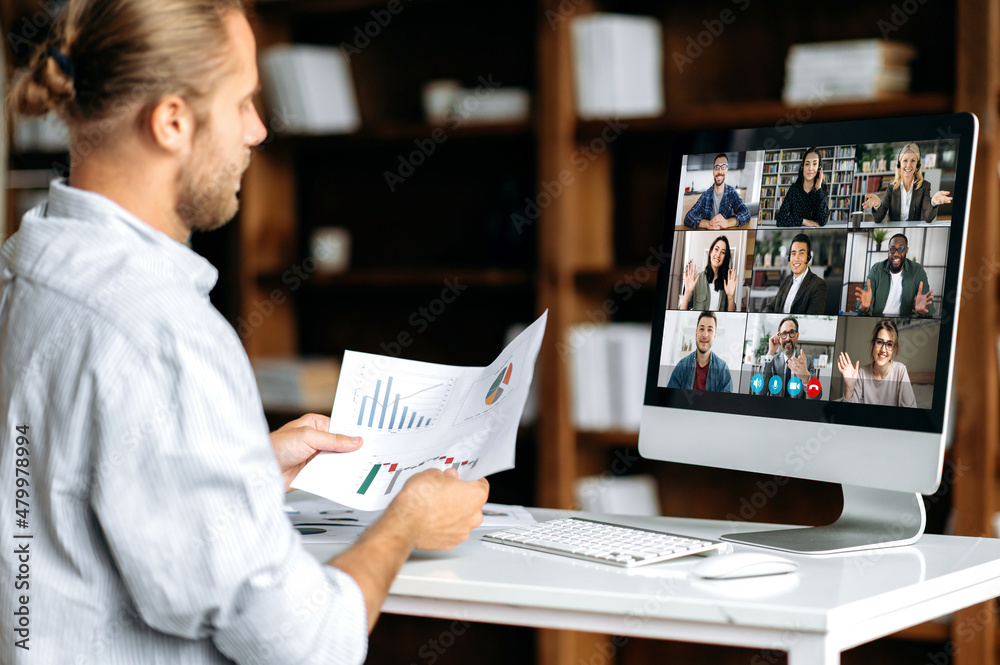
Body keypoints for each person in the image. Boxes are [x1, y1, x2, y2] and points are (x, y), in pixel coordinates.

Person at [0, 2, 488, 664]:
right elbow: (307, 644)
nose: (257, 130)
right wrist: (408, 520)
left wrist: (243, 472)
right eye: (242, 103)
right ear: (172, 121)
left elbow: (70, 503)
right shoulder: (167, 335)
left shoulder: (25, 277)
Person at [861, 143, 952, 223]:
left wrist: (933, 203)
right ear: (899, 164)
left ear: (917, 165)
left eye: (913, 161)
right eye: (905, 160)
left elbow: (928, 218)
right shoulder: (891, 188)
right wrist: (878, 205)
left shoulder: (924, 186)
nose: (908, 165)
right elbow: (878, 219)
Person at [838, 320, 918, 407]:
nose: (883, 350)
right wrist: (849, 387)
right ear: (873, 344)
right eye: (879, 342)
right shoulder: (862, 373)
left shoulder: (900, 370)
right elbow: (848, 413)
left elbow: (911, 410)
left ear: (894, 348)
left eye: (889, 344)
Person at [855, 233, 935, 317]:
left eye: (901, 249)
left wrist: (922, 311)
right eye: (892, 249)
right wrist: (865, 308)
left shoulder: (917, 271)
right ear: (888, 251)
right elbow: (863, 305)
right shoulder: (876, 269)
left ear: (906, 250)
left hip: (901, 321)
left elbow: (929, 309)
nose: (896, 254)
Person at [666, 311, 734, 392]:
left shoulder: (722, 369)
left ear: (714, 336)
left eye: (710, 330)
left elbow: (726, 403)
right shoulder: (681, 366)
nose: (705, 335)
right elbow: (670, 399)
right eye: (701, 329)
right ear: (696, 334)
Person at [761, 233, 828, 315]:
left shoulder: (818, 285)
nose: (796, 258)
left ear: (808, 258)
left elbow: (812, 320)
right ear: (789, 258)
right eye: (793, 253)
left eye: (801, 253)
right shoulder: (787, 280)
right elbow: (771, 306)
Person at [683, 153, 752, 229]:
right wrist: (707, 224)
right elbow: (688, 218)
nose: (719, 171)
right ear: (713, 170)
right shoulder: (705, 195)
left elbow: (746, 213)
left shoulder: (732, 193)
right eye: (717, 167)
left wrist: (727, 222)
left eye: (723, 167)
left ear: (727, 170)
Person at [758, 316, 822, 399]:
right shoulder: (772, 361)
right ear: (779, 337)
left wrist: (806, 378)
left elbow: (817, 397)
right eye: (784, 334)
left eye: (791, 333)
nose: (788, 338)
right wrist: (770, 353)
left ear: (797, 335)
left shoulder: (806, 361)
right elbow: (760, 393)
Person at [678, 235, 739, 311]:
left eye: (723, 252)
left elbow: (731, 316)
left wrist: (730, 297)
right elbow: (682, 312)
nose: (718, 255)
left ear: (725, 258)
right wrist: (687, 292)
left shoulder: (726, 284)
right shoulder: (697, 279)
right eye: (716, 249)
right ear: (711, 252)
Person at [775, 147, 829, 227]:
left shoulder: (821, 190)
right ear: (802, 166)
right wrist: (803, 221)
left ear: (819, 168)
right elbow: (780, 219)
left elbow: (823, 221)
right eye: (807, 164)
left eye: (814, 164)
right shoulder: (794, 189)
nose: (810, 168)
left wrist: (818, 189)